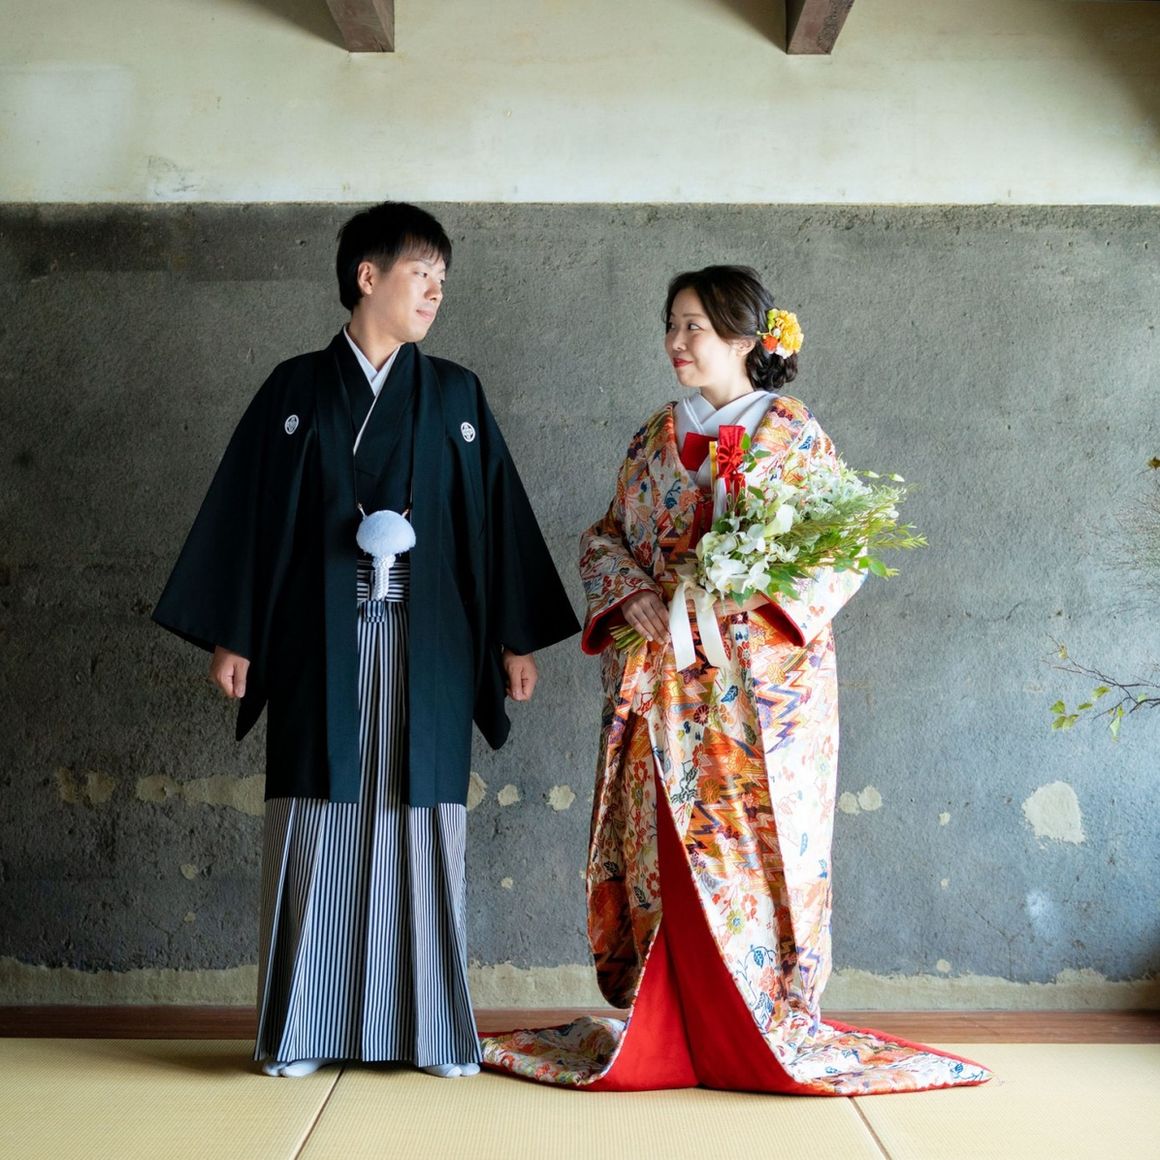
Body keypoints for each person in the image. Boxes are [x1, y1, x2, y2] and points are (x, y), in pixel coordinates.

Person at [481, 266, 989, 1094]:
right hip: (665, 683)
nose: (677, 342)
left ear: (748, 339)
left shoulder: (792, 433)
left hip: (762, 694)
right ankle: (668, 1025)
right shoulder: (653, 438)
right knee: (666, 846)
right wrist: (634, 593)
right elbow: (605, 536)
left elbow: (841, 549)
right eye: (672, 325)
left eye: (695, 327)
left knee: (757, 846)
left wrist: (746, 591)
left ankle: (757, 1021)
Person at [154, 202, 579, 1079]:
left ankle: (428, 1030)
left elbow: (493, 520)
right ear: (367, 276)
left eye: (442, 280)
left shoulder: (455, 394)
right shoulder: (294, 390)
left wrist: (514, 640)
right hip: (318, 637)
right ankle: (303, 1030)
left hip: (432, 642)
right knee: (320, 817)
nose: (435, 292)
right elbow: (247, 516)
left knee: (423, 821)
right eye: (421, 274)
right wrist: (236, 634)